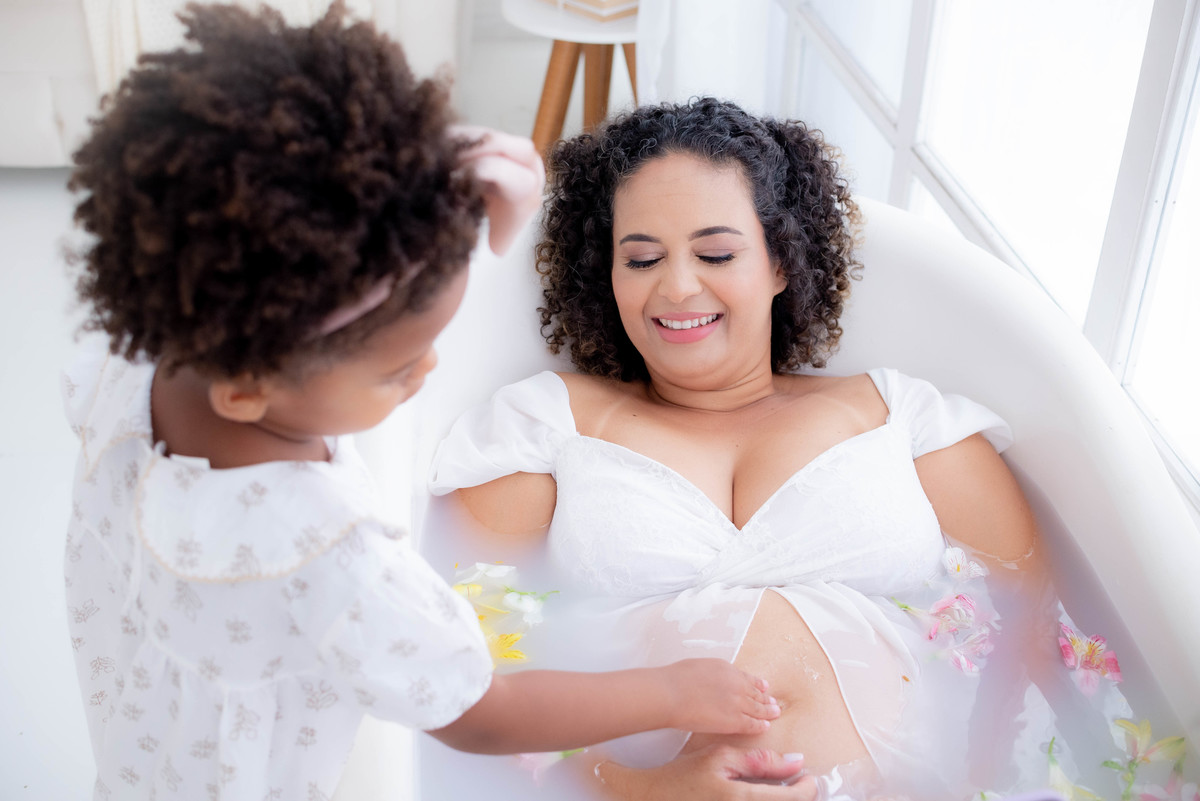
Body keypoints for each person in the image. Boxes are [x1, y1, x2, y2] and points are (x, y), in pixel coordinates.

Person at [60, 10, 798, 799]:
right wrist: (672, 690)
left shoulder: (136, 352)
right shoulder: (329, 553)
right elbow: (480, 710)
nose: (430, 370)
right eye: (398, 368)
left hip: (141, 733)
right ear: (249, 387)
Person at [429, 98, 1118, 800]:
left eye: (716, 253)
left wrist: (975, 781)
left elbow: (1032, 627)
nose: (675, 286)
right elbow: (453, 663)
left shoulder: (902, 419)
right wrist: (638, 788)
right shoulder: (546, 425)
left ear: (782, 260)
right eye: (641, 258)